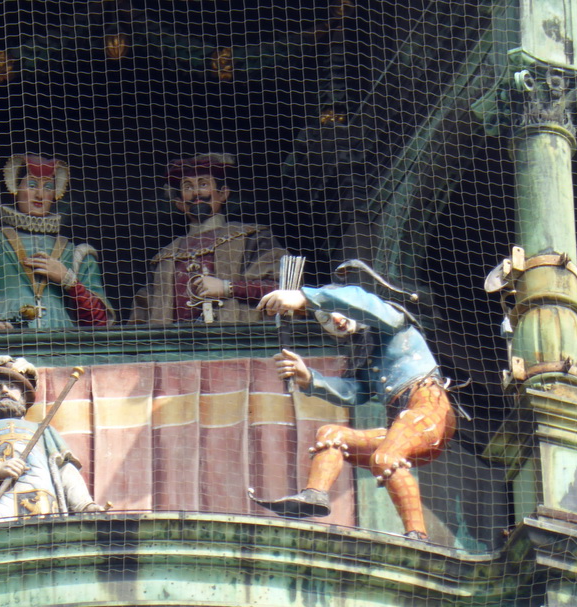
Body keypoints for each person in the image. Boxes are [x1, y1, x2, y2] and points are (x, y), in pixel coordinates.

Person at [252, 282, 455, 541]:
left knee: (385, 457)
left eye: (337, 310)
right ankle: (314, 495)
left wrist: (305, 298)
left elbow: (361, 301)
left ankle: (417, 535)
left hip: (429, 408)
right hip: (404, 425)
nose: (335, 320)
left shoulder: (390, 321)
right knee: (331, 435)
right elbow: (355, 392)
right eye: (324, 319)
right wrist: (310, 379)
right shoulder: (365, 356)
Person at [0, 154, 113, 330]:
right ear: (16, 188)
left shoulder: (77, 254)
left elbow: (98, 322)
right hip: (4, 339)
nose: (40, 194)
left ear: (55, 194)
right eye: (31, 185)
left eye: (48, 187)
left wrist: (69, 281)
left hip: (63, 344)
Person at [0, 355, 103, 522]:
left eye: (11, 386)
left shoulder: (43, 430)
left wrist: (85, 505)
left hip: (40, 511)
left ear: (24, 396)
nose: (4, 390)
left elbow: (64, 470)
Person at [128, 153, 286, 324]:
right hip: (175, 346)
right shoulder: (164, 258)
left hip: (238, 340)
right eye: (187, 187)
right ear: (179, 202)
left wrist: (227, 288)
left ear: (223, 193)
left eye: (203, 184)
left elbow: (281, 289)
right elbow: (141, 314)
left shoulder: (252, 237)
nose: (196, 193)